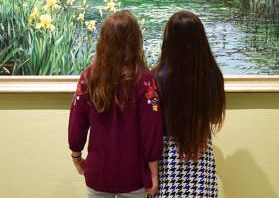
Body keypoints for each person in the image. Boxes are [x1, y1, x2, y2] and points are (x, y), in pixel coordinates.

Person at [68, 10, 163, 198]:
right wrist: (154, 173)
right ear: (136, 40)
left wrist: (76, 157)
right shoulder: (145, 80)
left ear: (103, 40)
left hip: (98, 173)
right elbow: (151, 131)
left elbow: (76, 124)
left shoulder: (88, 77)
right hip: (133, 175)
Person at [152, 11, 225, 198]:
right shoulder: (212, 75)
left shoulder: (157, 77)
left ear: (169, 39)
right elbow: (215, 115)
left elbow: (151, 123)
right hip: (201, 153)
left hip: (166, 159)